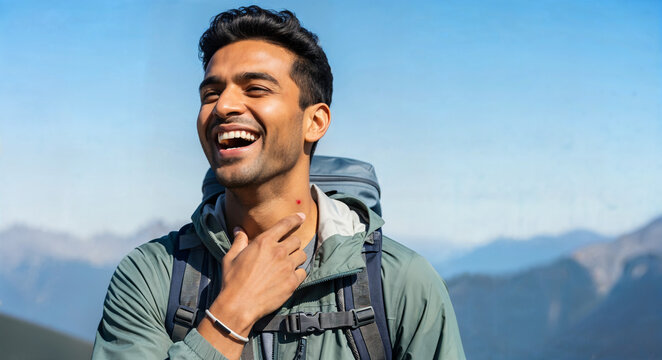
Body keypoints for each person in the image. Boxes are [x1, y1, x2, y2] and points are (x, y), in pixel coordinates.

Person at [92, 6, 465, 360]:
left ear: (315, 122)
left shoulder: (400, 283)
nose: (223, 106)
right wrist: (232, 314)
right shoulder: (150, 275)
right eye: (211, 93)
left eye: (255, 89)